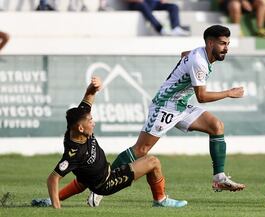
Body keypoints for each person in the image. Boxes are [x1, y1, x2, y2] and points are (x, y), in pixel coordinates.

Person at [58, 25, 246, 207]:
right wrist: (229, 92)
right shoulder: (200, 61)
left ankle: (219, 178)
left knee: (216, 126)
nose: (226, 48)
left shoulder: (199, 53)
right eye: (223, 43)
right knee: (141, 149)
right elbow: (202, 96)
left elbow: (184, 54)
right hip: (165, 105)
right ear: (210, 43)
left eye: (228, 44)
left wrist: (185, 62)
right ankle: (100, 188)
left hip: (179, 105)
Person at [44, 76, 187, 208]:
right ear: (81, 128)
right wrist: (57, 210)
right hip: (105, 183)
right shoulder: (74, 153)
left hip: (100, 173)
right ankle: (160, 200)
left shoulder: (79, 120)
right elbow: (52, 179)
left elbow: (89, 95)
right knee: (153, 162)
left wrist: (95, 86)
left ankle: (52, 199)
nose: (93, 123)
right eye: (90, 121)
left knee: (84, 176)